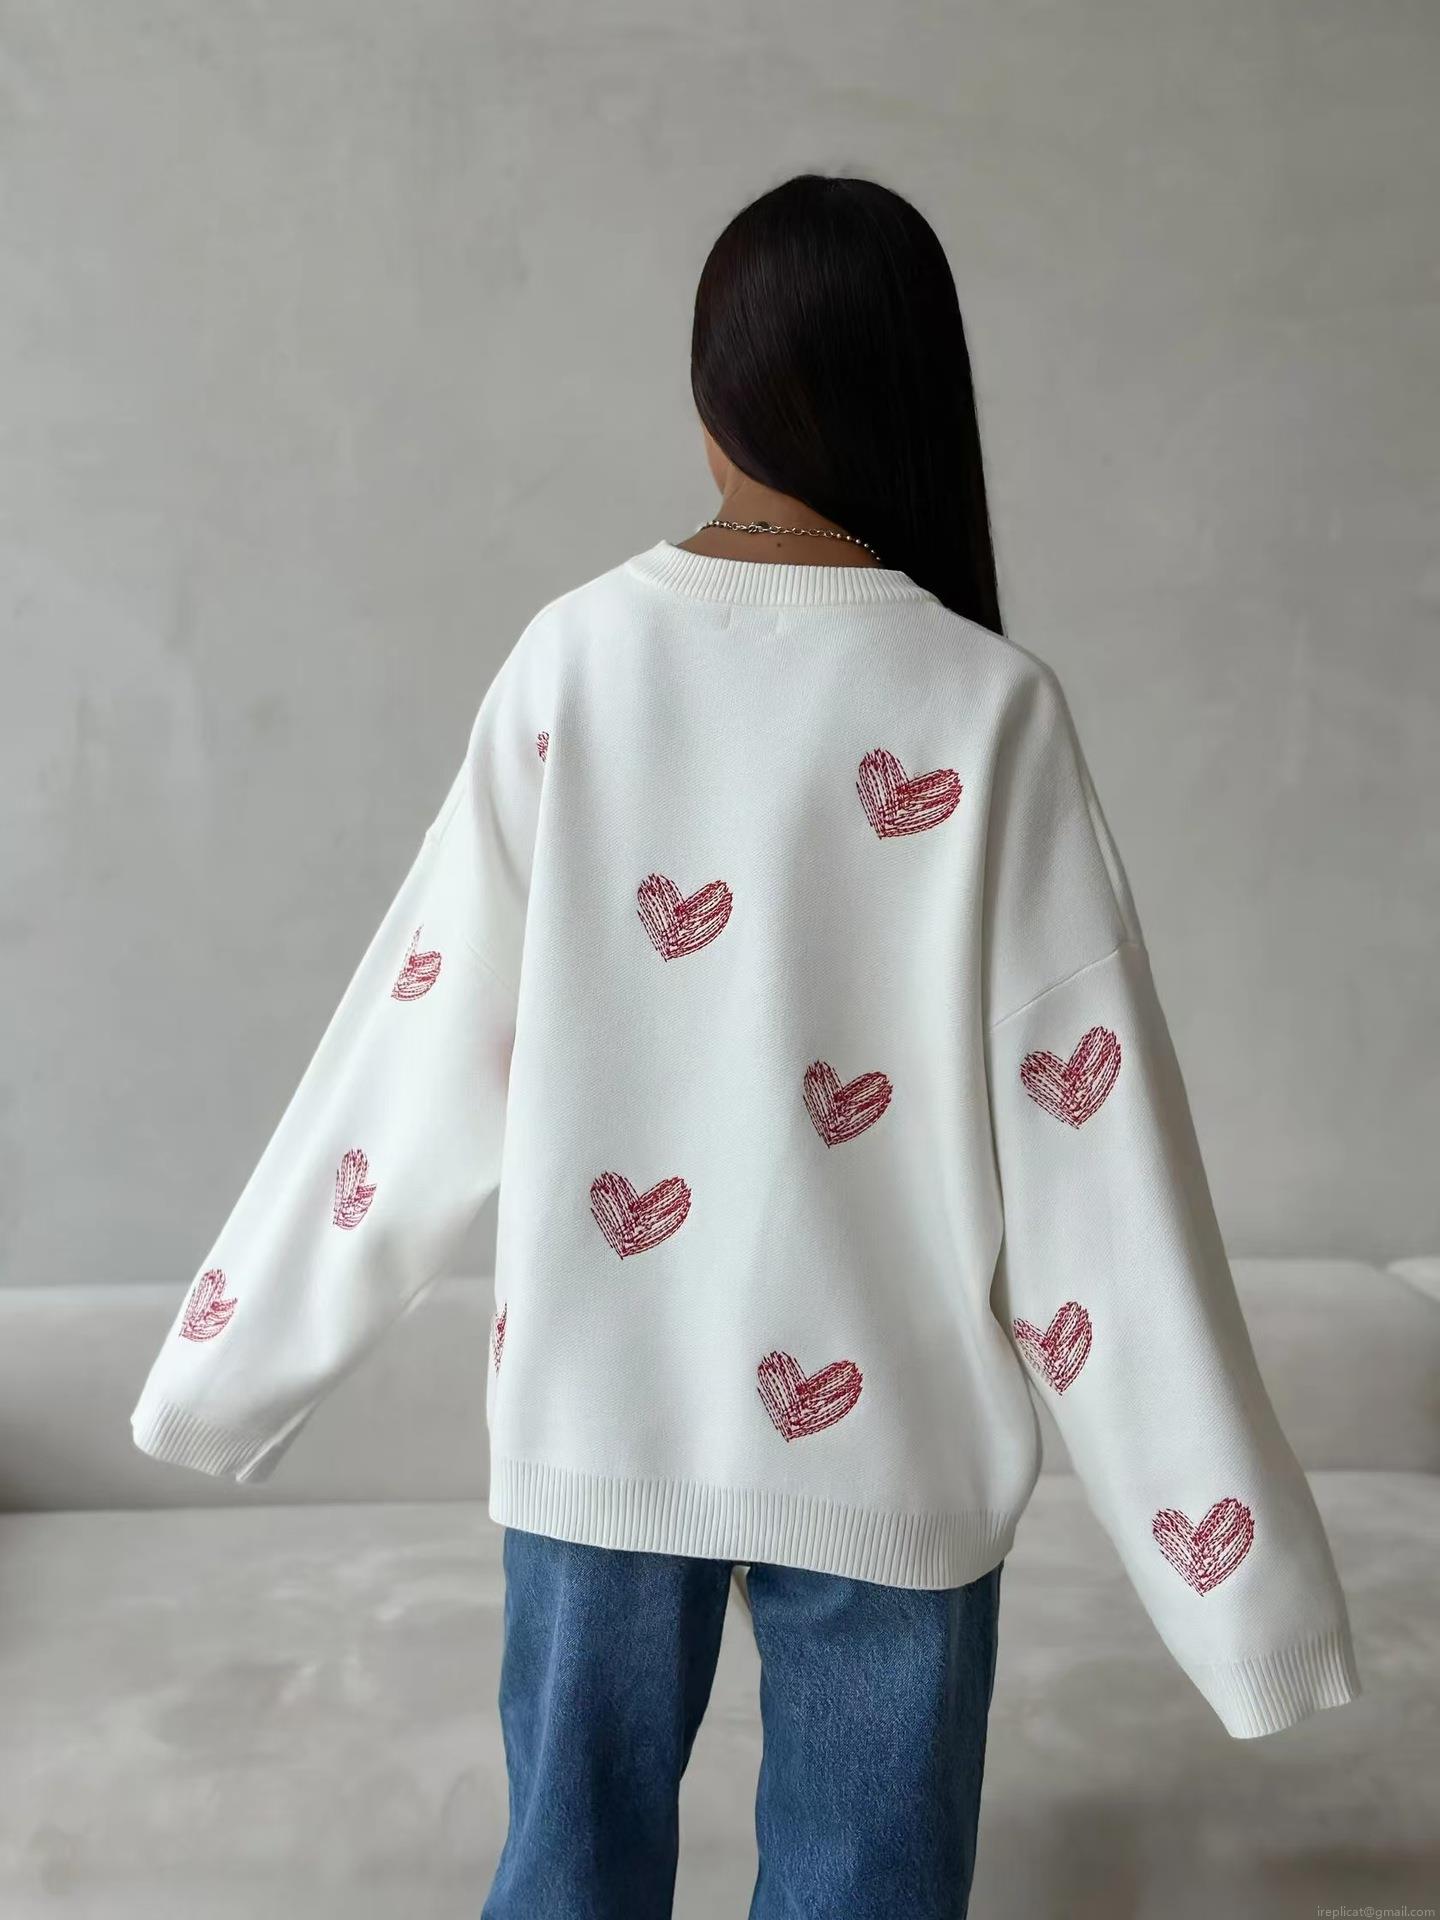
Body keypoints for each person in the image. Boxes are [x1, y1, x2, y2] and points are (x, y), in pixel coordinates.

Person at [129, 173, 1360, 1919]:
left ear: (712, 395)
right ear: (913, 396)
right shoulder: (984, 704)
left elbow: (418, 1041)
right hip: (897, 1445)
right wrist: (1253, 1606)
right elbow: (1099, 1181)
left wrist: (226, 1370)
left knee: (566, 1879)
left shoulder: (581, 661)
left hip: (601, 1416)